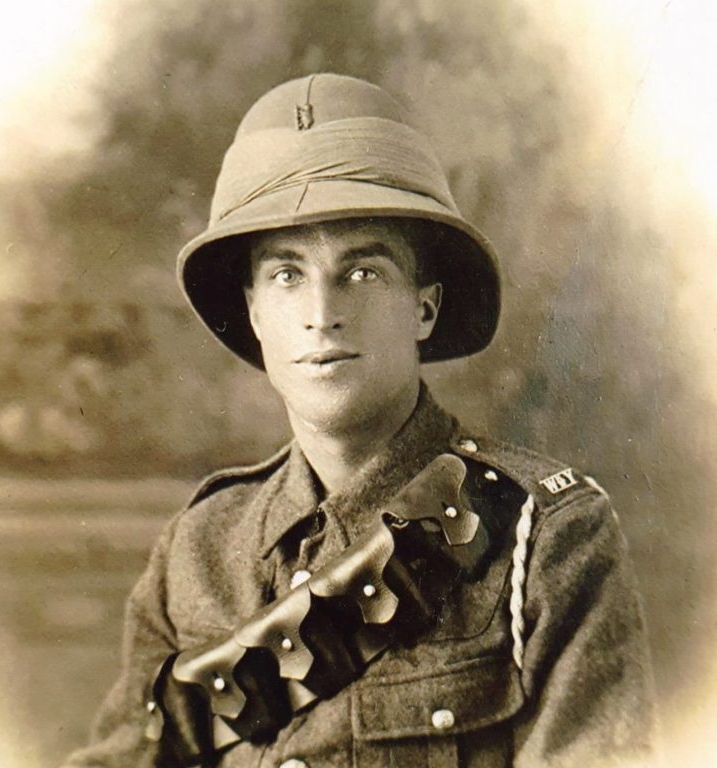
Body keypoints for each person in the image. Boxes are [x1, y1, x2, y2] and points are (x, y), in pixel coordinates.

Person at [64, 73, 658, 768]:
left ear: (423, 308)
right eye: (287, 275)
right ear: (255, 312)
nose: (323, 311)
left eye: (363, 272)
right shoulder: (198, 551)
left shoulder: (547, 536)